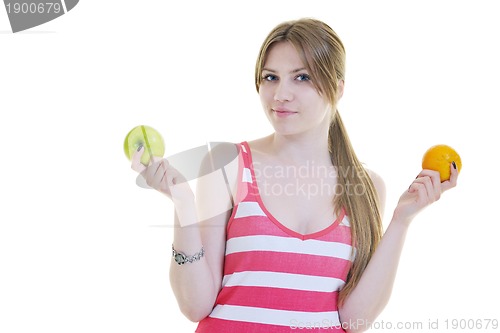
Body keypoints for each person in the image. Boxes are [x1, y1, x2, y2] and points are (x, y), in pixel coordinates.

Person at [131, 18, 458, 333]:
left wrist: (401, 221)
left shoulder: (366, 187)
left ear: (338, 88)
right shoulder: (227, 163)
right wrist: (183, 204)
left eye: (301, 77)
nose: (280, 95)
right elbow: (195, 305)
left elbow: (354, 320)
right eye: (271, 77)